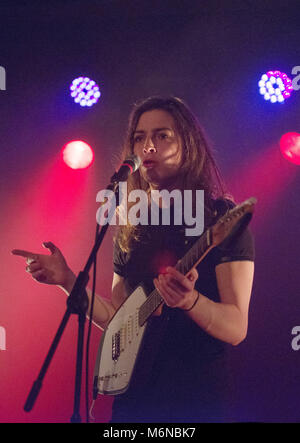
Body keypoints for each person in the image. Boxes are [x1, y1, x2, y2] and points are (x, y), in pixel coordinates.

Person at [12, 96, 255, 423]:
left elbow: (236, 328)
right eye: (139, 138)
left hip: (195, 398)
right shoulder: (131, 224)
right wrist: (68, 280)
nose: (148, 146)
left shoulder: (221, 217)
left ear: (189, 144)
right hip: (133, 398)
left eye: (162, 135)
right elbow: (118, 318)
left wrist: (190, 301)